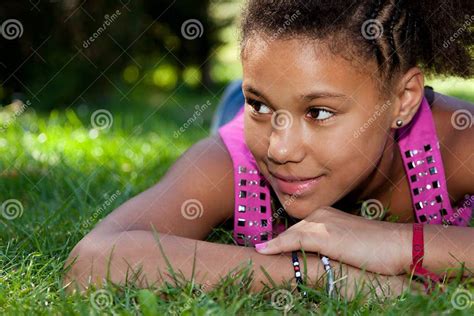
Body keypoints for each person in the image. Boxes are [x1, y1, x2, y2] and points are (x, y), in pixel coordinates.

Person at [64, 0, 474, 299]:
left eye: (319, 112)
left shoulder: (457, 141)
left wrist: (398, 243)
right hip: (231, 112)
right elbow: (93, 259)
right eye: (258, 104)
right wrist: (311, 274)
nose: (279, 150)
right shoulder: (233, 161)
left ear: (403, 100)